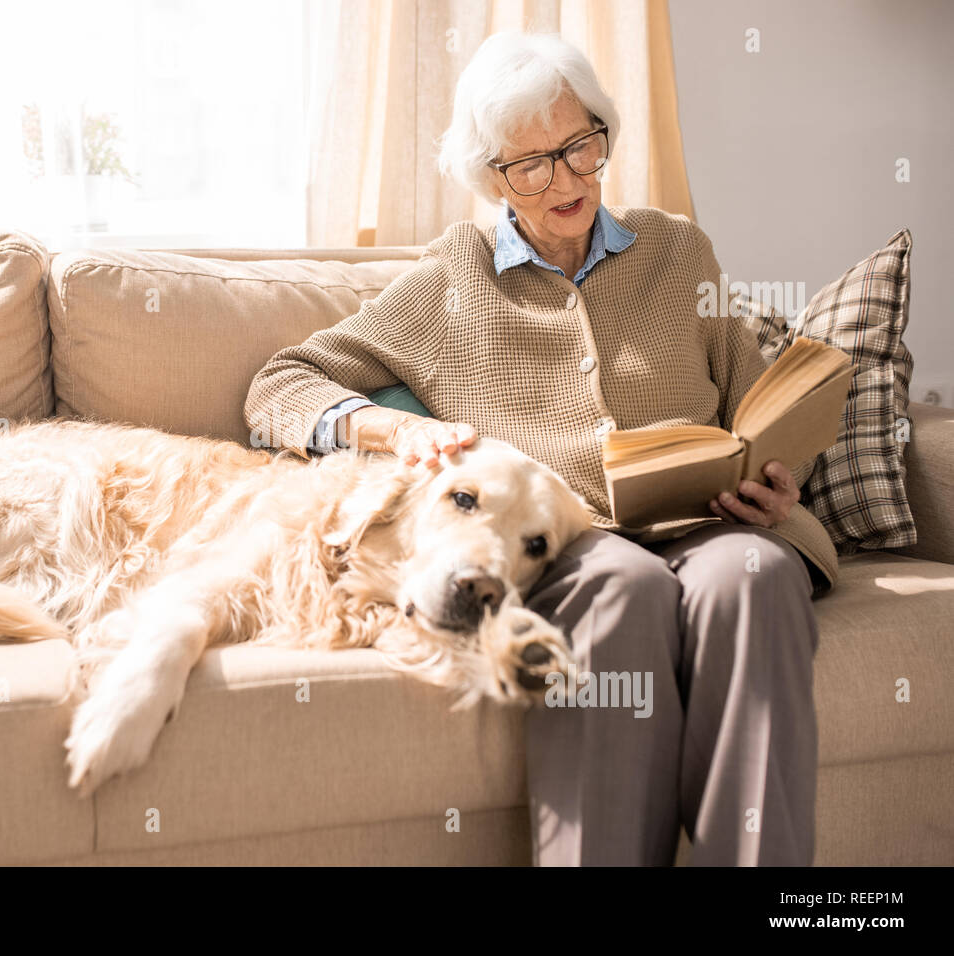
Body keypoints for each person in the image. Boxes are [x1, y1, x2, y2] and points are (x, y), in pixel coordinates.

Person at [243, 31, 836, 866]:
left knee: (760, 574)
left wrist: (778, 483)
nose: (567, 179)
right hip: (572, 540)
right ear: (492, 179)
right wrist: (395, 428)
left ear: (603, 136)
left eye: (581, 146)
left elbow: (755, 402)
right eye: (533, 164)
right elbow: (282, 382)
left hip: (707, 522)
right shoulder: (453, 279)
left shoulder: (677, 250)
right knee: (624, 588)